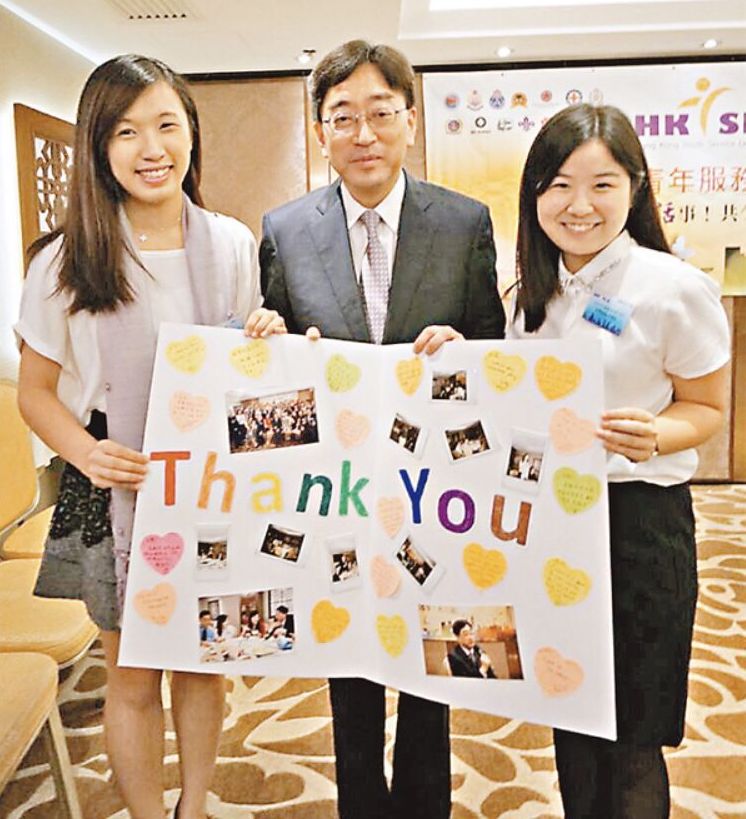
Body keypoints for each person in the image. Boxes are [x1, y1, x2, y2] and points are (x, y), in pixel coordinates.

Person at [15, 54, 286, 819]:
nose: (152, 148)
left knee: (204, 662)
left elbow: (246, 371)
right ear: (99, 145)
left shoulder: (232, 243)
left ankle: (191, 806)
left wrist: (266, 338)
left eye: (167, 125)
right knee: (132, 674)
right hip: (115, 478)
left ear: (192, 135)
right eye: (127, 131)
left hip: (212, 479)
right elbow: (35, 393)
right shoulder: (65, 258)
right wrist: (85, 452)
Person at [260, 39, 505, 819]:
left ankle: (426, 803)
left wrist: (464, 350)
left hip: (432, 482)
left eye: (380, 113)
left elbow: (494, 349)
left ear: (410, 120)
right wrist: (270, 339)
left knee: (431, 650)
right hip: (336, 488)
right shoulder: (285, 229)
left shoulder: (464, 222)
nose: (363, 134)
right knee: (350, 655)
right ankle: (360, 802)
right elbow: (274, 355)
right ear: (321, 131)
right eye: (343, 117)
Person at [509, 103, 730, 818]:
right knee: (572, 715)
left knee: (635, 731)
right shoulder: (527, 294)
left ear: (635, 188)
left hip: (639, 524)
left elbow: (708, 407)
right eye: (559, 185)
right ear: (534, 194)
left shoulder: (672, 287)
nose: (579, 206)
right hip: (552, 526)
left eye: (602, 185)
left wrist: (657, 434)